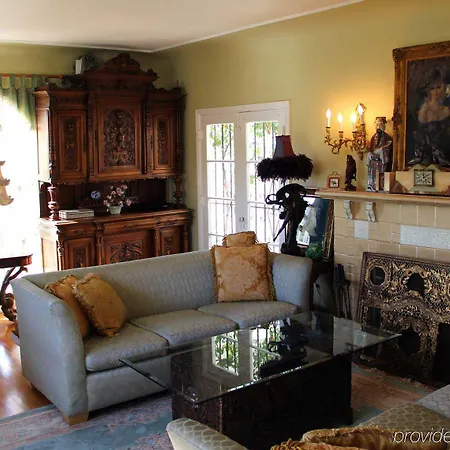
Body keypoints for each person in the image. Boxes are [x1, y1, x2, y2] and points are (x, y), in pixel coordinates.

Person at [408, 69, 450, 167]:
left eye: (438, 87)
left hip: (445, 153)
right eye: (432, 88)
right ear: (429, 90)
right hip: (427, 155)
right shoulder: (425, 109)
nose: (436, 91)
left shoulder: (446, 110)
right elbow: (420, 135)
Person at [366, 117, 393, 191]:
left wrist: (381, 150)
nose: (378, 126)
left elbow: (388, 147)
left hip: (381, 161)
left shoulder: (387, 138)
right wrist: (370, 153)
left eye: (380, 124)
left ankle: (381, 186)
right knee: (372, 174)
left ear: (384, 125)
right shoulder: (373, 137)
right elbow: (370, 147)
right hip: (373, 161)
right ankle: (371, 185)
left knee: (380, 175)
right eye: (377, 124)